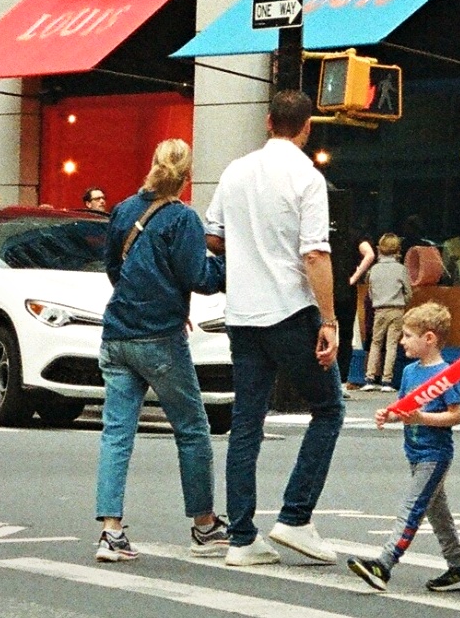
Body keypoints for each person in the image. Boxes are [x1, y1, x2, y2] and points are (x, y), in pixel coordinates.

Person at [205, 89, 345, 567]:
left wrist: (249, 250)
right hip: (289, 308)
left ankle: (242, 538)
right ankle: (295, 516)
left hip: (243, 314)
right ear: (307, 127)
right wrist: (329, 319)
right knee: (328, 408)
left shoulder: (235, 171)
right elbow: (315, 254)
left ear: (268, 122)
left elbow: (213, 235)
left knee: (246, 422)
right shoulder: (308, 178)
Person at [94, 139, 229, 563]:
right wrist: (232, 265)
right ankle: (205, 526)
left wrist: (146, 297)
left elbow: (114, 268)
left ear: (152, 164)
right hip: (160, 339)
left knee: (117, 433)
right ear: (187, 175)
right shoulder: (182, 218)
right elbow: (199, 277)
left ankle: (111, 532)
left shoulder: (123, 210)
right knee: (192, 429)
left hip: (117, 333)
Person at [347, 301, 460, 594]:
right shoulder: (410, 372)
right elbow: (404, 408)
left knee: (412, 507)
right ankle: (458, 568)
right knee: (438, 513)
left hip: (435, 455)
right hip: (415, 452)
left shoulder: (445, 375)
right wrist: (389, 415)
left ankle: (385, 563)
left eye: (407, 336)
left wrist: (422, 418)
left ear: (429, 339)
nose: (402, 341)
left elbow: (456, 415)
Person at [364, 233, 412, 390]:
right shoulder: (401, 269)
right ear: (398, 249)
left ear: (380, 249)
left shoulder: (374, 269)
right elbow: (408, 292)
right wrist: (403, 301)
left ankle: (370, 378)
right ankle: (387, 380)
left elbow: (370, 292)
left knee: (376, 343)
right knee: (391, 344)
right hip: (397, 309)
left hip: (379, 309)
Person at [332, 215, 375, 389]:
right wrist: (354, 278)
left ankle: (323, 378)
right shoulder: (354, 233)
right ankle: (341, 380)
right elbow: (369, 254)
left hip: (323, 287)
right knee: (345, 334)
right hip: (345, 290)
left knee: (319, 331)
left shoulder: (322, 231)